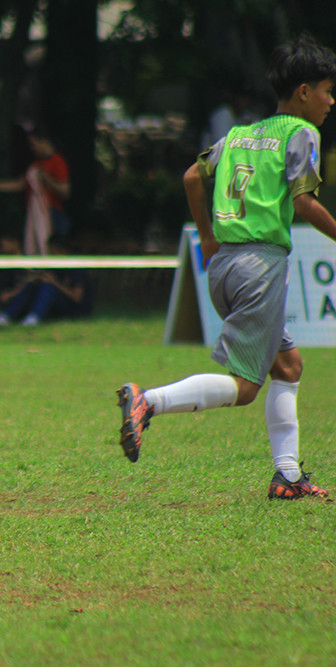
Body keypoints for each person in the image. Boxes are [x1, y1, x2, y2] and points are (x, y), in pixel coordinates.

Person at [117, 33, 336, 500]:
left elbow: (193, 176)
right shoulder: (302, 133)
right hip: (260, 266)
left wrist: (208, 236)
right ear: (303, 92)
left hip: (224, 267)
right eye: (326, 90)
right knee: (245, 387)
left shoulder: (241, 134)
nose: (330, 101)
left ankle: (288, 476)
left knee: (289, 365)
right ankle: (148, 401)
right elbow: (303, 202)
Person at [0, 125, 70, 255]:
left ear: (44, 141)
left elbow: (65, 191)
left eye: (33, 144)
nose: (32, 148)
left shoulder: (57, 161)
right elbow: (21, 184)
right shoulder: (37, 164)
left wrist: (47, 179)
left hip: (51, 214)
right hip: (34, 215)